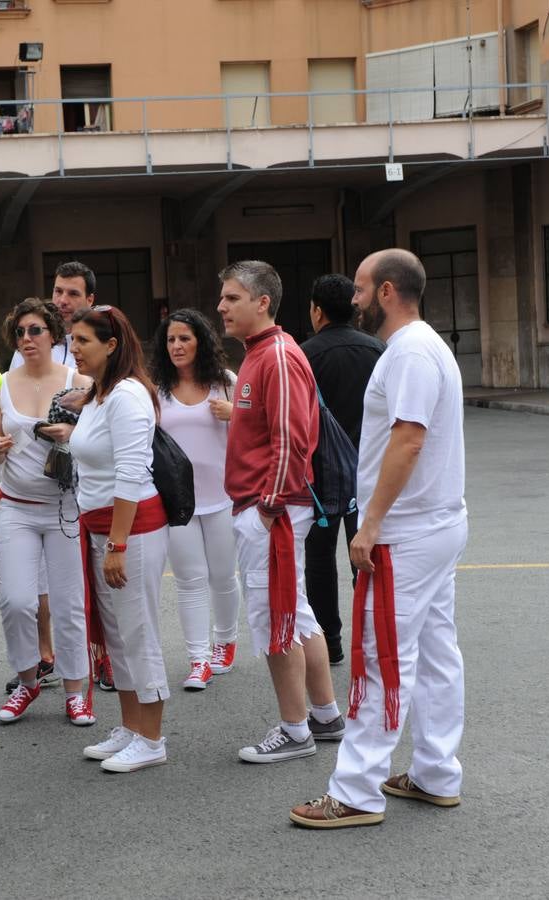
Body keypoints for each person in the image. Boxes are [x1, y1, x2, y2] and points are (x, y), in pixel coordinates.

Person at [290, 249, 468, 829]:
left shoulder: (411, 352)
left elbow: (409, 439)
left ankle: (357, 790)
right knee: (436, 652)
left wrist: (370, 526)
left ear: (388, 291)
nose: (355, 300)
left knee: (378, 656)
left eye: (363, 290)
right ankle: (435, 773)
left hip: (406, 531)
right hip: (433, 524)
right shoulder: (422, 347)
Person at [217, 260, 343, 764]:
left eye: (231, 298)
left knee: (276, 621)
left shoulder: (278, 356)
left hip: (272, 510)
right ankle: (325, 715)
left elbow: (291, 439)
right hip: (269, 508)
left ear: (262, 302)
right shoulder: (257, 354)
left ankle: (295, 732)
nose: (222, 307)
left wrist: (268, 506)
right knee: (297, 615)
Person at [67, 304, 171, 773]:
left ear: (111, 345)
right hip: (101, 527)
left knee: (138, 631)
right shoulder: (99, 395)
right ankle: (132, 727)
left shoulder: (128, 395)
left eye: (83, 341)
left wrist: (118, 544)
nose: (74, 349)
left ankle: (151, 738)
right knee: (118, 635)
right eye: (73, 340)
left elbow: (132, 474)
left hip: (129, 529)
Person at [0, 298, 94, 726]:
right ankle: (28, 680)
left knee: (69, 604)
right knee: (16, 601)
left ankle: (75, 690)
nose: (27, 339)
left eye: (35, 330)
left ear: (54, 334)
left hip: (65, 507)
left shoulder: (80, 380)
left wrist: (72, 432)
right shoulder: (2, 382)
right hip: (14, 506)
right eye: (20, 333)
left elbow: (99, 438)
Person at [149, 308, 241, 689]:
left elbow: (256, 428)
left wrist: (234, 414)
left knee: (222, 576)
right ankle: (198, 659)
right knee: (189, 579)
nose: (177, 345)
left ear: (200, 341)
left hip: (222, 496)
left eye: (184, 338)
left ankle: (225, 641)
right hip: (176, 502)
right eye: (171, 339)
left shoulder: (226, 382)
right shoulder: (157, 389)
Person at [300, 274, 384, 666]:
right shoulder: (378, 350)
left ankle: (329, 640)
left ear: (317, 311)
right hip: (371, 471)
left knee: (318, 558)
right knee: (367, 556)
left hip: (319, 475)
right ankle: (370, 639)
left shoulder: (304, 356)